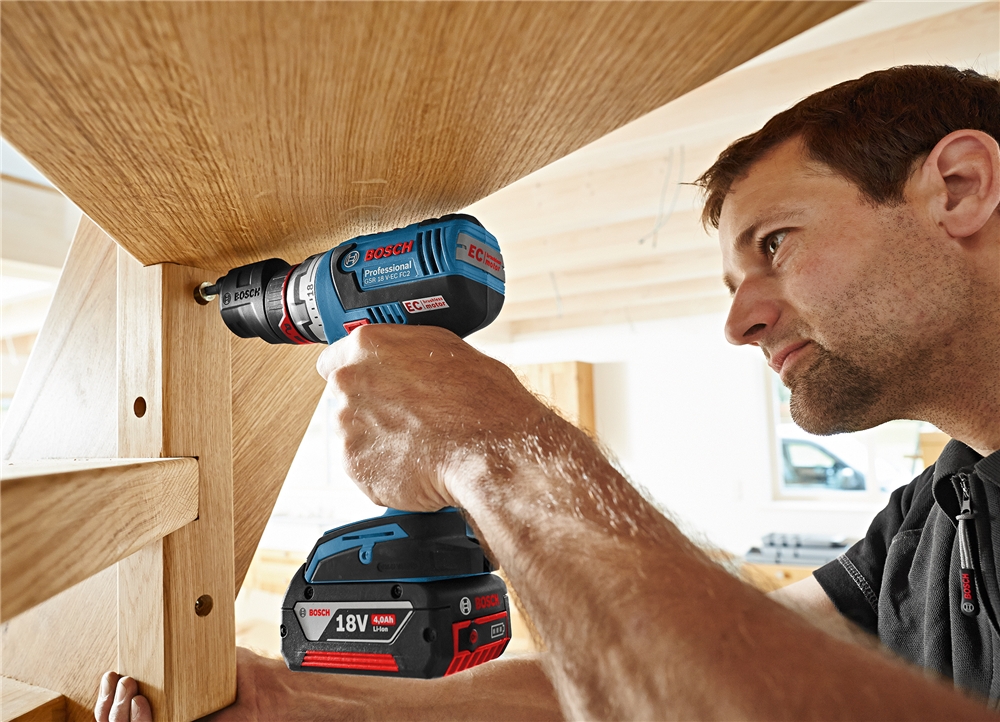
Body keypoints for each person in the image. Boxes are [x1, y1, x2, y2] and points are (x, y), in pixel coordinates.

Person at [97, 65, 999, 721]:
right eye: (734, 284)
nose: (739, 322)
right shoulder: (933, 517)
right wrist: (301, 702)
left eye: (775, 243)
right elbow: (666, 669)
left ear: (959, 187)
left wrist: (493, 445)